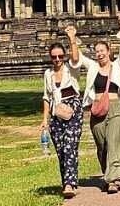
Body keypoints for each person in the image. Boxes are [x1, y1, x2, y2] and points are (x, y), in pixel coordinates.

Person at [68, 15, 120, 194]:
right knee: (102, 144)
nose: (100, 53)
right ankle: (107, 173)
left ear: (109, 51)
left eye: (103, 50)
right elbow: (77, 57)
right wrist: (72, 38)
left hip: (115, 107)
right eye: (97, 51)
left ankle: (113, 179)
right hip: (97, 110)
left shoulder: (117, 65)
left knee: (114, 142)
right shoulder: (93, 67)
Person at [41, 41, 83, 199]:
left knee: (69, 146)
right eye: (54, 57)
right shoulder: (47, 74)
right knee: (60, 149)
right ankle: (67, 180)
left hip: (72, 111)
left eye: (60, 56)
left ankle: (69, 184)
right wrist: (45, 119)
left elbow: (76, 58)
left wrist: (72, 38)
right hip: (56, 113)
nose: (57, 59)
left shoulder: (71, 69)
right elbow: (46, 97)